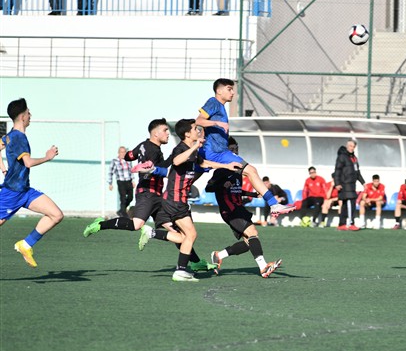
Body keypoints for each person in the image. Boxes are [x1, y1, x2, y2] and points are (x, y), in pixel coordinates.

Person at [137, 119, 241, 281]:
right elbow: (176, 161)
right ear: (187, 134)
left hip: (178, 200)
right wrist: (194, 146)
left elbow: (203, 162)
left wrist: (226, 166)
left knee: (183, 237)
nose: (198, 131)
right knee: (191, 235)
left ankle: (153, 233)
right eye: (195, 129)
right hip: (175, 200)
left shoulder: (193, 151)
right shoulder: (180, 148)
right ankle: (180, 271)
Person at [195, 78, 295, 217]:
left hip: (217, 153)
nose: (233, 93)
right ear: (219, 90)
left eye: (233, 89)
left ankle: (273, 204)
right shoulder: (214, 102)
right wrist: (217, 123)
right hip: (214, 153)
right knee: (251, 171)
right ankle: (274, 204)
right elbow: (198, 120)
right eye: (229, 89)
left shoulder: (221, 107)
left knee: (186, 180)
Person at [0, 98, 64, 267]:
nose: (30, 115)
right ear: (22, 117)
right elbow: (27, 162)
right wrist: (47, 157)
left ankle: (25, 245)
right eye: (28, 112)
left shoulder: (9, 136)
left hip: (25, 191)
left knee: (56, 215)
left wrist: (4, 169)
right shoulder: (19, 138)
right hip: (12, 193)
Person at [84, 118, 173, 238]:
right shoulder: (153, 150)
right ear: (155, 133)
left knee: (173, 228)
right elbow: (154, 169)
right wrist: (173, 158)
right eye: (165, 130)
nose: (168, 133)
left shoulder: (143, 145)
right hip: (148, 193)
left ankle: (194, 258)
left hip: (156, 195)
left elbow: (128, 156)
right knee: (136, 224)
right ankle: (100, 224)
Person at [206, 166, 282, 278]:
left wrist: (254, 195)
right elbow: (208, 188)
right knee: (252, 233)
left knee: (248, 243)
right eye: (232, 149)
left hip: (239, 209)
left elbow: (237, 191)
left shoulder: (238, 172)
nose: (235, 151)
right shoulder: (221, 171)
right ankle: (263, 267)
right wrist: (221, 185)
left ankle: (219, 255)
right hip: (229, 210)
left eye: (236, 148)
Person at [333, 139, 365, 231]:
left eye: (353, 146)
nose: (352, 148)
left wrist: (363, 182)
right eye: (350, 146)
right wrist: (337, 183)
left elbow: (357, 172)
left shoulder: (354, 158)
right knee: (350, 203)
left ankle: (341, 224)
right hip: (344, 184)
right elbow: (337, 171)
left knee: (345, 205)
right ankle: (351, 223)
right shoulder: (342, 157)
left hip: (352, 184)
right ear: (347, 146)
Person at [107, 146, 135, 217]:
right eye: (121, 152)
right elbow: (110, 172)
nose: (123, 153)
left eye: (124, 152)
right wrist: (110, 183)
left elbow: (131, 170)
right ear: (118, 153)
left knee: (130, 197)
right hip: (121, 182)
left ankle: (121, 211)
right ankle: (124, 214)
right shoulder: (114, 161)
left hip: (128, 181)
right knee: (123, 198)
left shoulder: (128, 160)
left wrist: (133, 180)